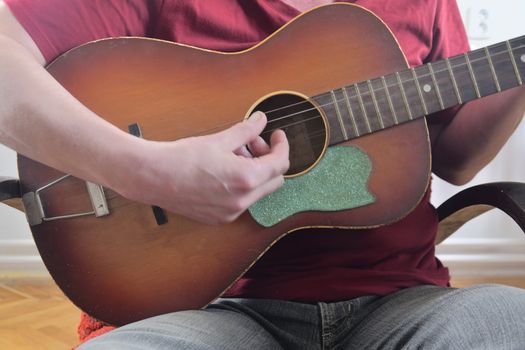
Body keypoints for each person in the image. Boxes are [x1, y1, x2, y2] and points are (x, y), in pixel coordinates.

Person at [1, 0, 525, 349]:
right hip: (212, 312)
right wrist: (147, 173)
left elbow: (453, 154)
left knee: (509, 319)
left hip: (404, 303)